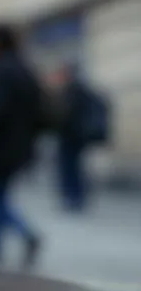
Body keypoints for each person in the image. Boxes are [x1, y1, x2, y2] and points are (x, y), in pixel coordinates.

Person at [0, 23, 45, 265]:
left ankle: (22, 236)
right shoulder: (19, 68)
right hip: (16, 146)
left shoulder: (0, 70)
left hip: (1, 147)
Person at [50, 62, 110, 212]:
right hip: (76, 136)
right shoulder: (80, 88)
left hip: (71, 136)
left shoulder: (72, 90)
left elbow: (66, 114)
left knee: (70, 168)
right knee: (74, 167)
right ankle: (75, 197)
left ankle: (73, 197)